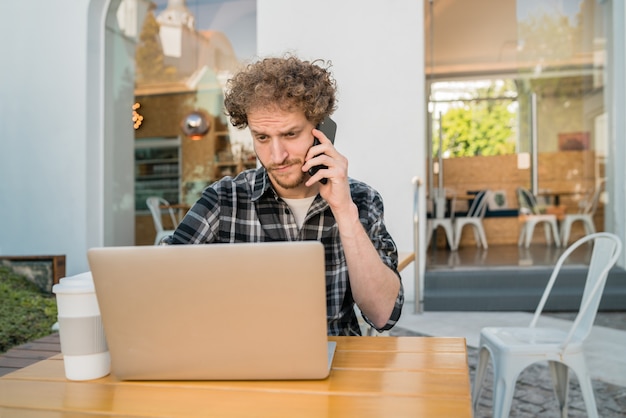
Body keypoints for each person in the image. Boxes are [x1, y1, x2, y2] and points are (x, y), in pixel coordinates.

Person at [167, 55, 403, 336]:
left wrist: (345, 213)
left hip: (336, 363)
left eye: (290, 134)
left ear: (321, 131)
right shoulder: (224, 200)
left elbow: (383, 315)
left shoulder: (361, 200)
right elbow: (163, 288)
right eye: (262, 138)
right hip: (244, 362)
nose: (276, 156)